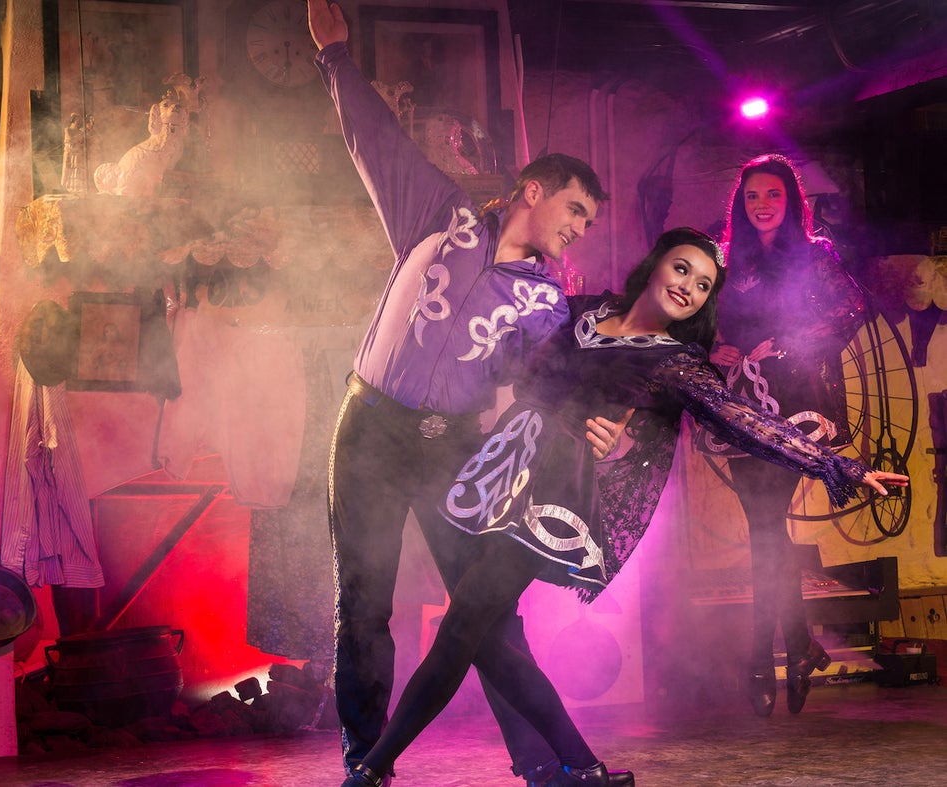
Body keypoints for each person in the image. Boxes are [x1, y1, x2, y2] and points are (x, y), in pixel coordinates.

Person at [339, 227, 908, 787]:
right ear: (656, 263)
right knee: (490, 640)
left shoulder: (675, 362)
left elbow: (748, 422)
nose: (689, 286)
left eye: (705, 285)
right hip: (500, 478)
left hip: (553, 508)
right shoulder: (588, 310)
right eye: (683, 269)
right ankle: (584, 768)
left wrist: (843, 467)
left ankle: (368, 770)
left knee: (463, 627)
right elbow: (520, 356)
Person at [307, 2, 630, 785]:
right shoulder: (435, 213)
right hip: (369, 429)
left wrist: (599, 428)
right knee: (365, 605)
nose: (578, 229)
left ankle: (544, 763)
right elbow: (370, 135)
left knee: (486, 610)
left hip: (454, 448)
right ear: (533, 189)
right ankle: (367, 761)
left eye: (587, 223)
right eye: (575, 210)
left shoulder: (548, 302)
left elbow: (555, 390)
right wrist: (336, 56)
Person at [702, 153, 869, 716]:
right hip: (741, 398)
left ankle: (761, 654)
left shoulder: (813, 256)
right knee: (765, 528)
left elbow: (851, 310)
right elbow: (699, 320)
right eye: (752, 197)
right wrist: (712, 347)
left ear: (791, 200)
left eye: (772, 195)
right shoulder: (726, 261)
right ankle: (798, 646)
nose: (762, 205)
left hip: (795, 402)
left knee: (765, 526)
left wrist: (789, 343)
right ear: (741, 206)